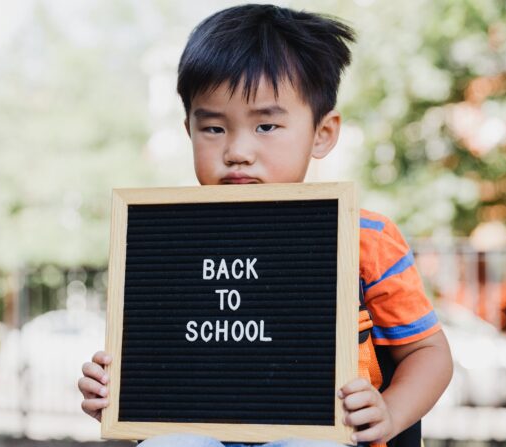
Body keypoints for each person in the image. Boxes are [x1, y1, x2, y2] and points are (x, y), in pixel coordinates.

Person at [78, 4, 452, 447]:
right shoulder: (165, 240)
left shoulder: (363, 238)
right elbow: (158, 356)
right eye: (214, 129)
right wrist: (117, 389)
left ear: (322, 133)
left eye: (267, 125)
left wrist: (391, 410)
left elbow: (429, 353)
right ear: (188, 130)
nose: (237, 150)